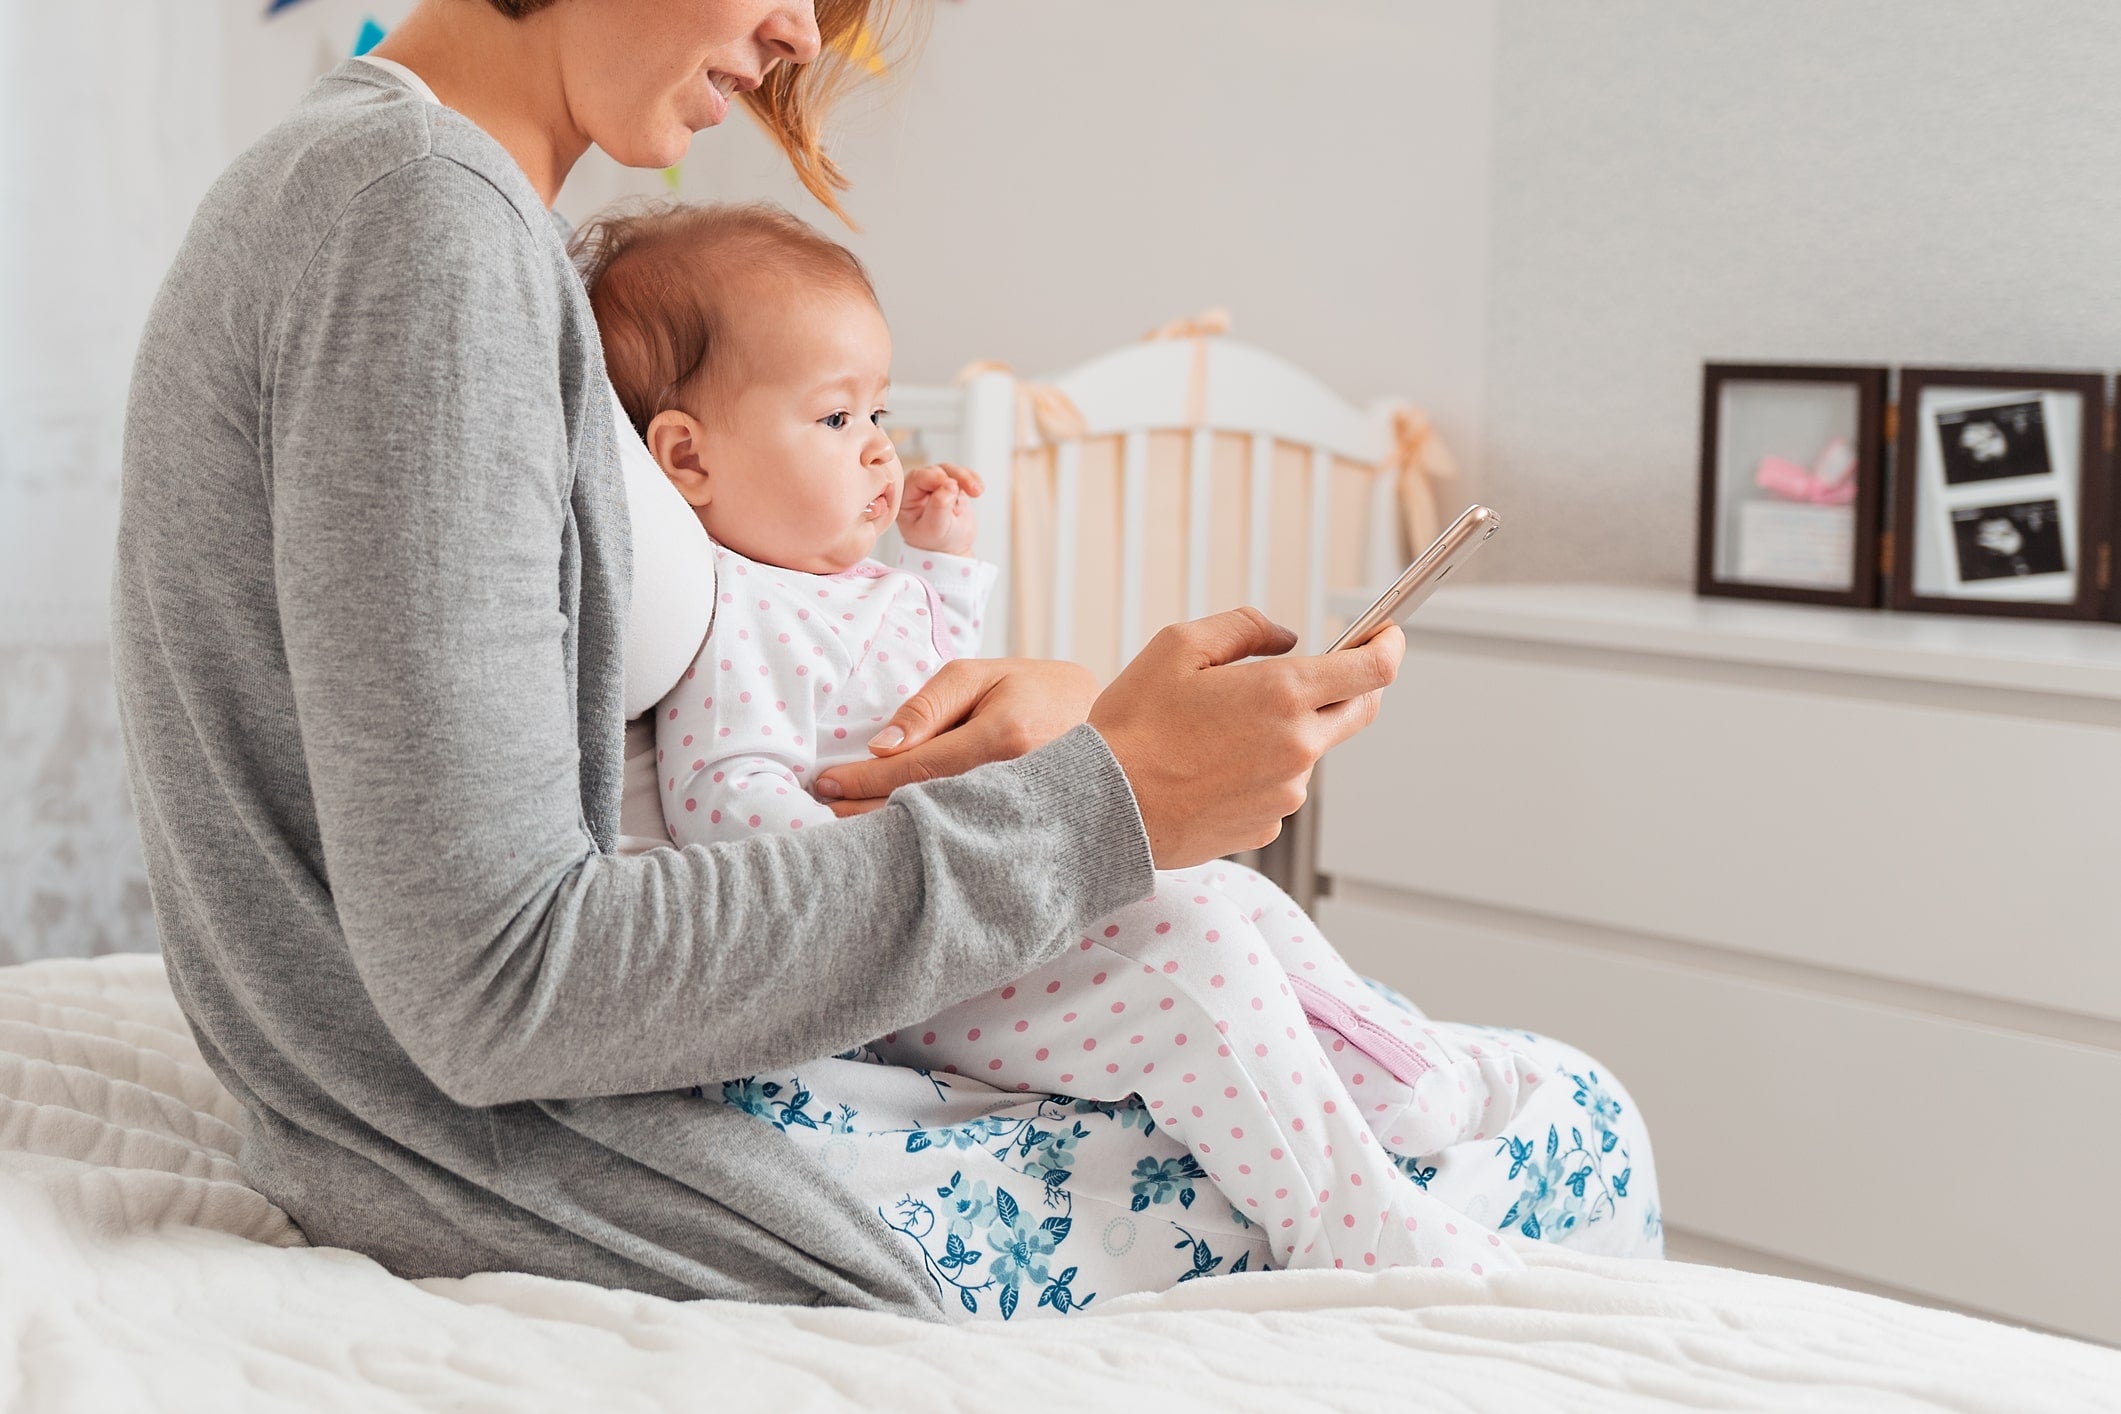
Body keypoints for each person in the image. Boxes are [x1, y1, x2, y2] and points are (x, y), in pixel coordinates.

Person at [111, 0, 1409, 1315]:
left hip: (556, 1100)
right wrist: (1105, 807)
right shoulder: (421, 224)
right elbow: (501, 981)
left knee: (1359, 1046)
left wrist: (1056, 728)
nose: (800, 32)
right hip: (535, 1163)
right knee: (1562, 1129)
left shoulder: (421, 197)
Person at [582, 201, 1534, 1273]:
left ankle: (1398, 1074)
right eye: (836, 420)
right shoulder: (730, 604)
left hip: (997, 871)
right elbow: (722, 795)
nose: (881, 450)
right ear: (687, 458)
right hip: (905, 940)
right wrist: (886, 830)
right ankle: (1352, 1230)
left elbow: (949, 685)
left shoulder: (857, 585)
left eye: (882, 414)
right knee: (1188, 963)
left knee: (1226, 891)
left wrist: (943, 557)